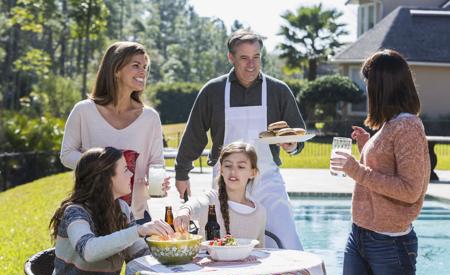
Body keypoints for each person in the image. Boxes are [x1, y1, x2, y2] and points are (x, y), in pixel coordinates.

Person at [175, 29, 305, 249]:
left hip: (267, 183)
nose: (251, 64)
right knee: (226, 245)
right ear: (231, 58)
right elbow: (194, 135)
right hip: (226, 181)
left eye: (256, 57)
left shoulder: (278, 90)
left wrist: (292, 145)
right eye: (244, 58)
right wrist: (182, 172)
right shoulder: (213, 91)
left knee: (287, 244)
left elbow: (297, 135)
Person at [330, 49, 430, 275]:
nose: (367, 91)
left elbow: (410, 190)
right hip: (360, 235)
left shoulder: (407, 126)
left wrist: (356, 169)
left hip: (390, 242)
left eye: (369, 83)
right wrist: (366, 147)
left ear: (382, 87)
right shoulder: (392, 123)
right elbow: (385, 169)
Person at [60, 41, 168, 224]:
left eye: (145, 67)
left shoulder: (150, 118)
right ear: (116, 70)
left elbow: (156, 163)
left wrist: (159, 180)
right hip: (92, 214)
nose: (143, 71)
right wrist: (105, 167)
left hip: (137, 216)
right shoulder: (84, 111)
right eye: (136, 65)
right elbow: (66, 154)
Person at [47, 147, 174, 275]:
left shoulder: (122, 209)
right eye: (126, 169)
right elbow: (88, 250)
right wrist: (138, 230)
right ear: (107, 178)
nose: (131, 174)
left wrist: (179, 248)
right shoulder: (75, 212)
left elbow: (139, 253)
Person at [174, 142, 266, 247]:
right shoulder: (211, 199)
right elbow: (195, 204)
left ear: (253, 173)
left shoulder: (260, 211)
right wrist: (184, 212)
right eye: (228, 166)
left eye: (241, 167)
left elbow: (260, 251)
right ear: (221, 170)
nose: (233, 171)